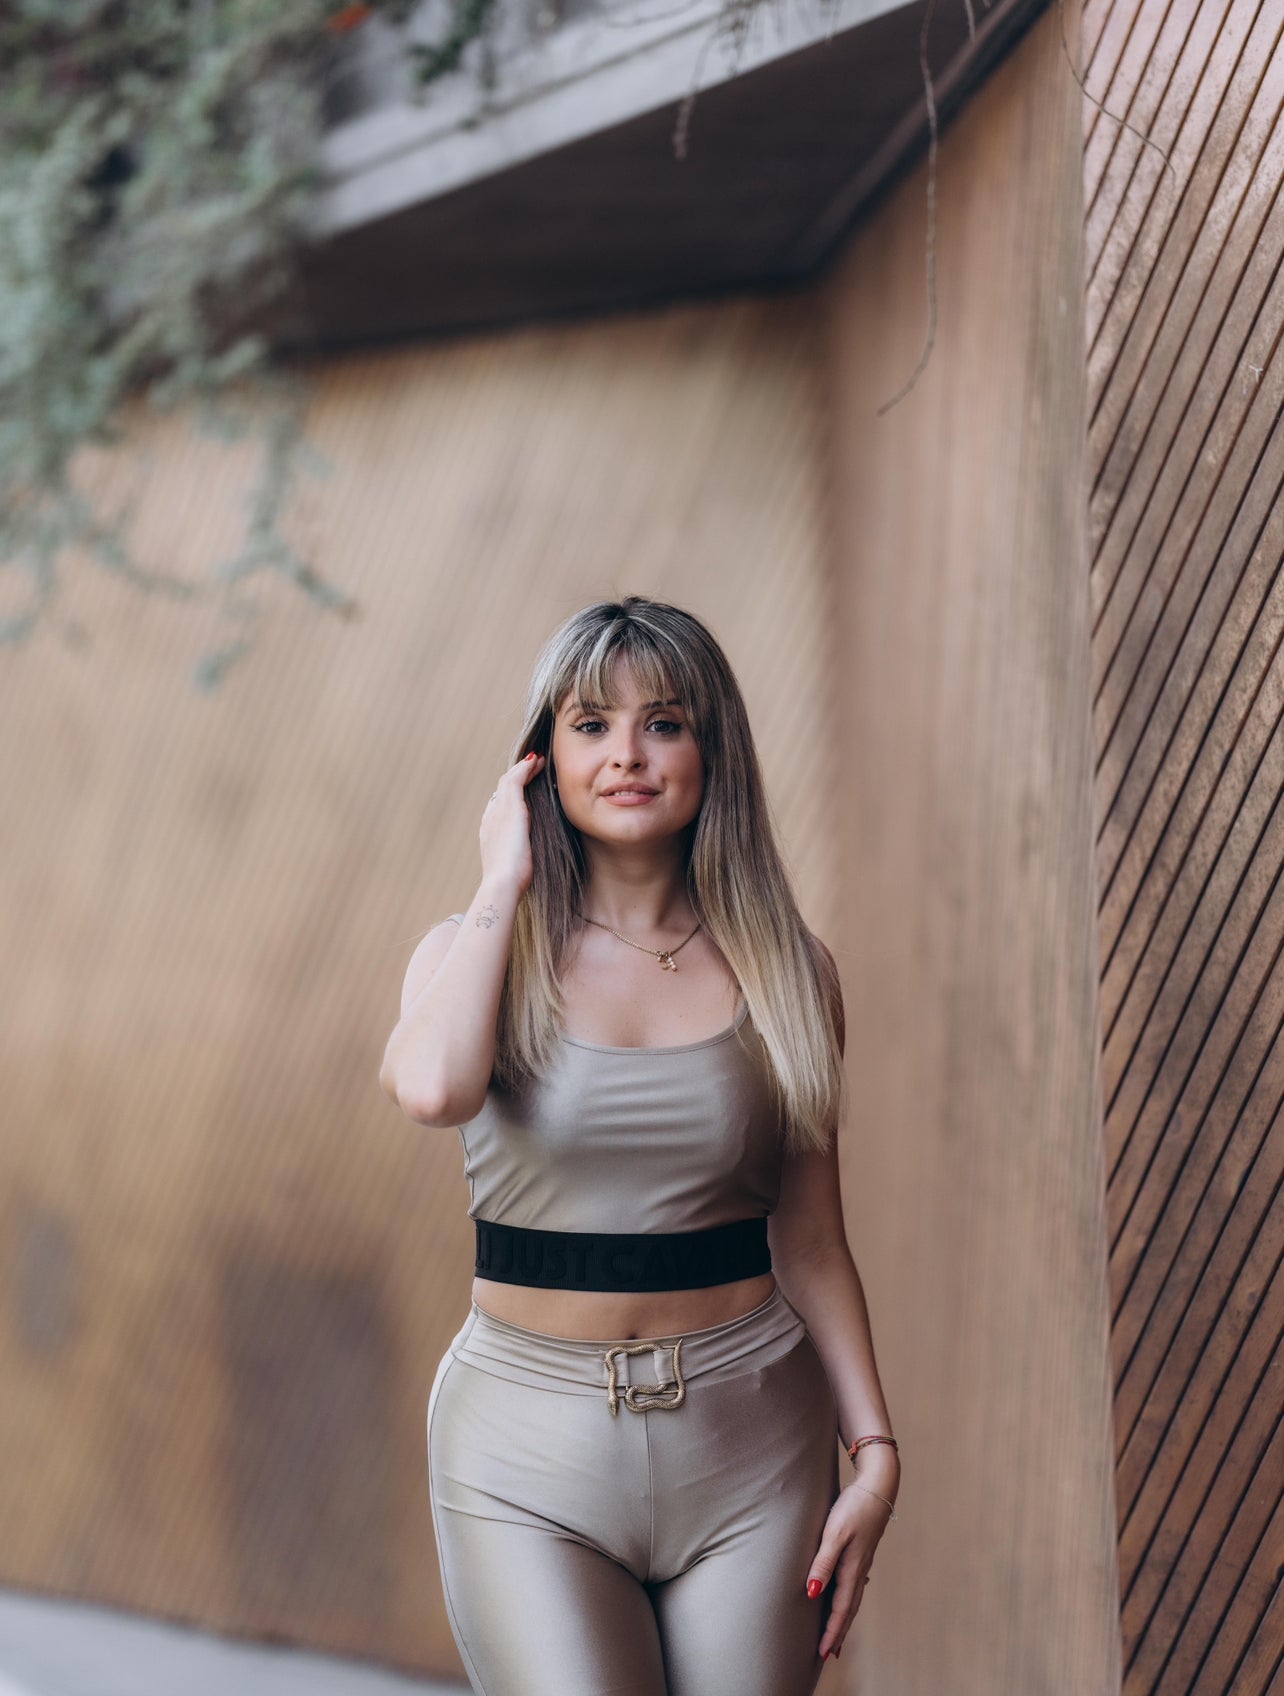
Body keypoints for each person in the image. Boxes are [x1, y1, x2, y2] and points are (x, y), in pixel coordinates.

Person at [379, 595, 899, 1696]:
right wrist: (500, 881)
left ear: (714, 751)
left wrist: (877, 1449)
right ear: (541, 758)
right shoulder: (470, 950)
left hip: (753, 1441)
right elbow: (430, 1088)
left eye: (663, 722)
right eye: (589, 725)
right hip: (525, 1454)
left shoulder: (789, 970)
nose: (627, 754)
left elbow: (809, 1237)